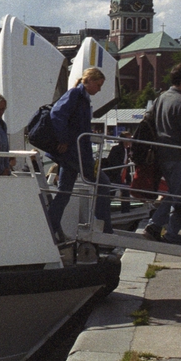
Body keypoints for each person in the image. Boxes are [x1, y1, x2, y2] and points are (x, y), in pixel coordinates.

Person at [46, 67, 113, 241]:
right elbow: (56, 114)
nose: (99, 89)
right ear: (89, 81)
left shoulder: (80, 97)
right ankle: (104, 228)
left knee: (64, 192)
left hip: (72, 155)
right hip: (76, 155)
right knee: (103, 183)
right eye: (98, 85)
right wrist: (63, 139)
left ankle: (50, 226)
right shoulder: (76, 95)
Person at [143, 63, 181, 245]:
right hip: (177, 156)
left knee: (176, 193)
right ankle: (160, 228)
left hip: (162, 154)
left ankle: (165, 230)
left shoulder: (161, 98)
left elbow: (148, 119)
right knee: (180, 195)